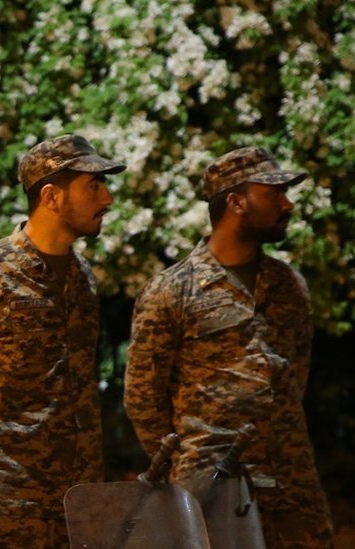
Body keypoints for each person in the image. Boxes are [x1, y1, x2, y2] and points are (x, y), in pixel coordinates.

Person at [125, 146, 334, 548]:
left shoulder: (289, 285)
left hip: (291, 481)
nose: (287, 204)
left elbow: (296, 376)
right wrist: (189, 464)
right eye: (274, 193)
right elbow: (142, 397)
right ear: (236, 202)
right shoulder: (173, 290)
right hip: (210, 487)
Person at [0, 134, 123, 548]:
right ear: (51, 197)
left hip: (78, 503)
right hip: (7, 505)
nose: (107, 199)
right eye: (93, 186)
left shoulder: (83, 278)